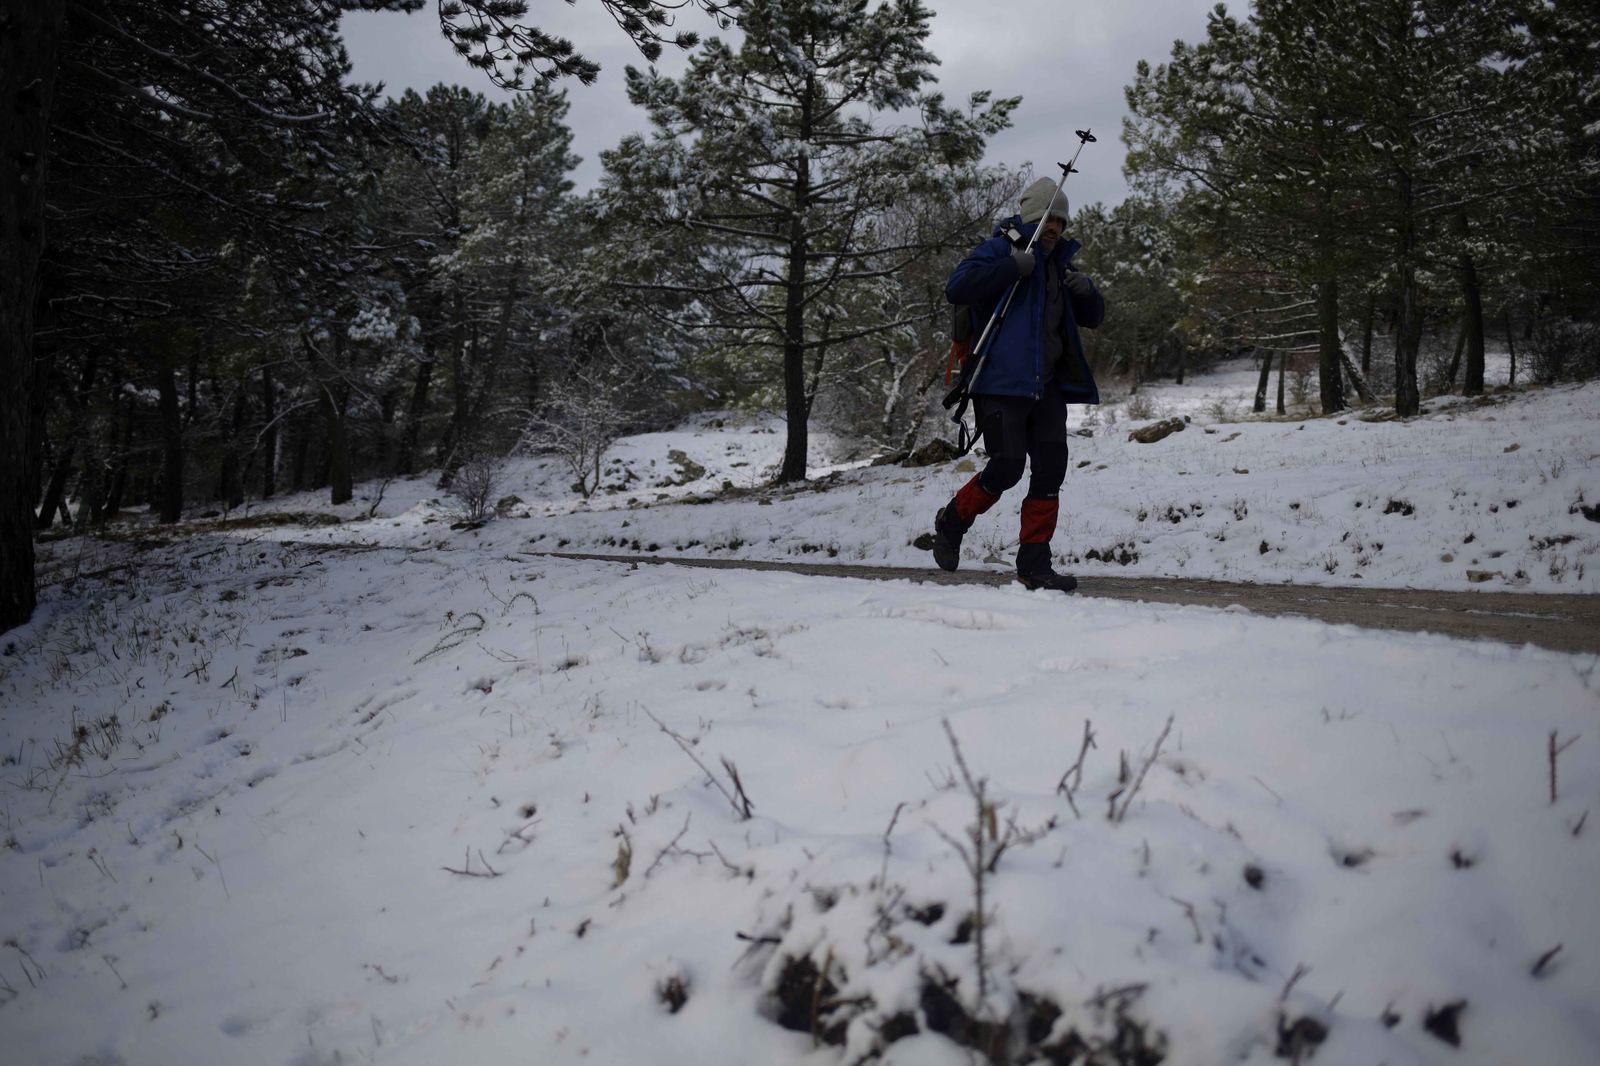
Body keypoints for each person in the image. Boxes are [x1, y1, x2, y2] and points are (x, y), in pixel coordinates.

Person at [931, 176, 1105, 592]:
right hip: (999, 383)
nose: (1055, 229)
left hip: (1046, 388)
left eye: (1060, 222)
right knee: (1007, 468)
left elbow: (1093, 318)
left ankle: (1034, 565)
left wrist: (1088, 292)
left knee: (1049, 472)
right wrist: (1010, 268)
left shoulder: (1061, 265)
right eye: (1048, 220)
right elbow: (956, 287)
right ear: (1031, 218)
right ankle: (952, 521)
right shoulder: (1000, 249)